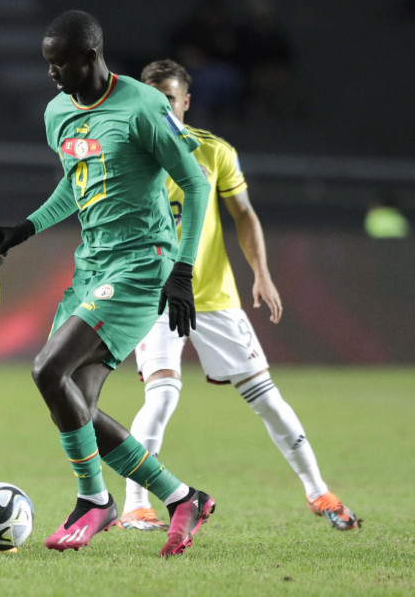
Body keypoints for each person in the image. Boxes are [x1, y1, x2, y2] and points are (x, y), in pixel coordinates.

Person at [0, 10, 214, 557]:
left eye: (59, 62)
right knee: (76, 403)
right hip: (91, 266)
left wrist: (182, 270)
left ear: (90, 56)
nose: (51, 73)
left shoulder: (142, 107)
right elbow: (75, 183)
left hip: (140, 263)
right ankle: (183, 497)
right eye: (47, 63)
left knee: (46, 370)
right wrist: (26, 228)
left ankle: (94, 501)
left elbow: (196, 184)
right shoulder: (57, 112)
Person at [120, 59, 361, 532]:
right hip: (156, 297)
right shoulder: (129, 152)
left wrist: (262, 274)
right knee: (162, 396)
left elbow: (244, 214)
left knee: (266, 397)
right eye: (152, 98)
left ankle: (319, 492)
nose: (161, 107)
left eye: (169, 98)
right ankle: (135, 503)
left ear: (186, 102)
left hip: (213, 295)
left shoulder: (213, 152)